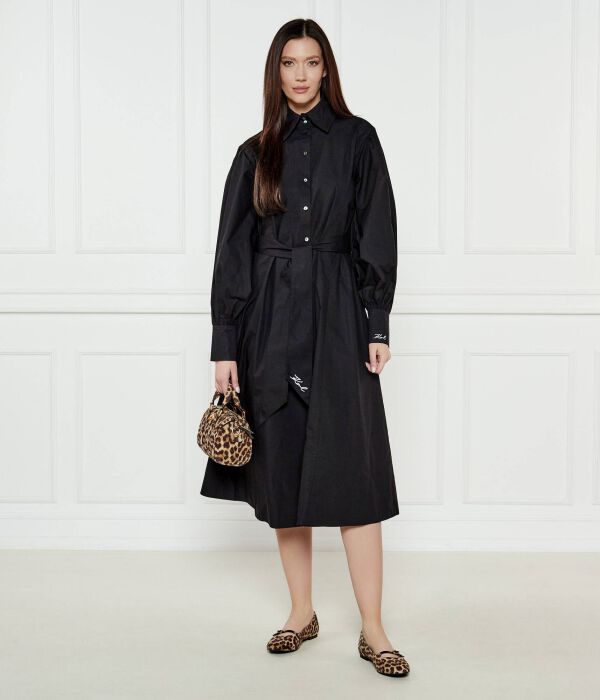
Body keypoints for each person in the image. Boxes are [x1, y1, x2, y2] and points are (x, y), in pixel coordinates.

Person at [200, 18, 409, 677]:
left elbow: (378, 230)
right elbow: (233, 251)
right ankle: (301, 612)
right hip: (269, 322)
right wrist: (226, 341)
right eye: (289, 62)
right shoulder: (253, 153)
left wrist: (377, 323)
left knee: (356, 473)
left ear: (326, 69)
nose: (299, 74)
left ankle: (373, 628)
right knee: (284, 470)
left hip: (340, 316)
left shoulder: (359, 140)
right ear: (277, 71)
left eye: (311, 62)